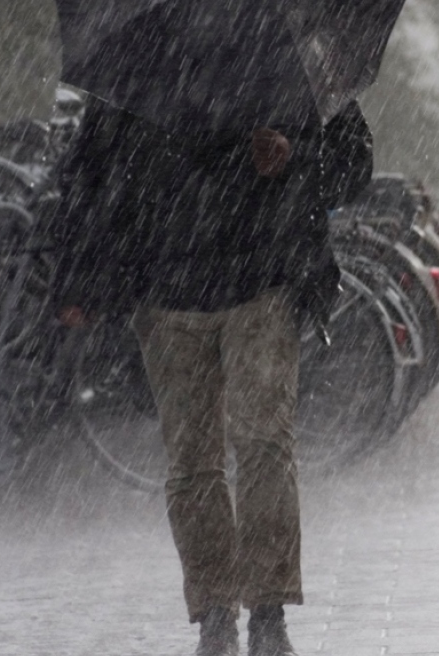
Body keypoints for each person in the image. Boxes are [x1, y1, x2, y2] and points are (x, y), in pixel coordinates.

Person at [50, 16, 374, 656]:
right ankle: (216, 613)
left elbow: (353, 162)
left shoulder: (287, 50)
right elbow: (89, 178)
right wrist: (79, 283)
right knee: (193, 462)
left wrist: (292, 157)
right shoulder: (139, 55)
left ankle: (269, 614)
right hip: (168, 293)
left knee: (263, 444)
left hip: (262, 281)